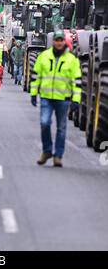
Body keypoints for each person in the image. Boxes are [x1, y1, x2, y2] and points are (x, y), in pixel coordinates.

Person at [30, 30, 82, 168]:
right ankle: (47, 151)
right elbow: (36, 76)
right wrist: (33, 93)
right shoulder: (44, 56)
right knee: (45, 123)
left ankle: (58, 155)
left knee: (61, 128)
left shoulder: (72, 60)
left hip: (63, 99)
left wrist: (76, 99)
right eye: (57, 40)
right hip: (46, 97)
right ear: (53, 41)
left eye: (61, 40)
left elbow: (76, 81)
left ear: (64, 42)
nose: (59, 43)